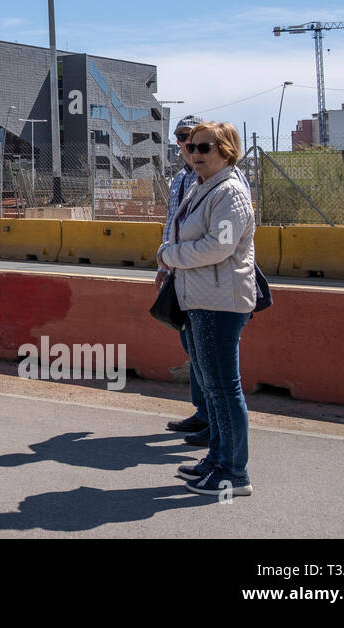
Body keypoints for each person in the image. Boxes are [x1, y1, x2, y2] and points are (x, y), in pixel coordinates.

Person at [156, 122, 257, 497]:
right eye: (191, 146)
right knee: (213, 391)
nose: (194, 153)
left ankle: (234, 472)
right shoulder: (202, 188)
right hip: (200, 298)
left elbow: (220, 247)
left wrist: (170, 256)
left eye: (204, 147)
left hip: (220, 302)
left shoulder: (230, 193)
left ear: (226, 151)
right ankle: (217, 460)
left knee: (224, 389)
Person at [159, 114, 210, 445]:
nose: (188, 145)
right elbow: (171, 224)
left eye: (195, 140)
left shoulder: (212, 179)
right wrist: (164, 266)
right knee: (190, 345)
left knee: (207, 351)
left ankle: (215, 423)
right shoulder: (179, 178)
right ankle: (203, 413)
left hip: (202, 277)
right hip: (177, 272)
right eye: (182, 138)